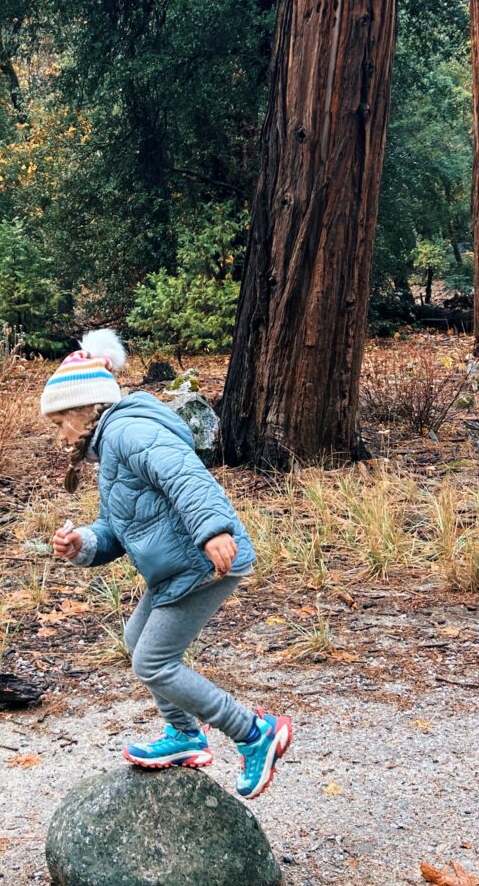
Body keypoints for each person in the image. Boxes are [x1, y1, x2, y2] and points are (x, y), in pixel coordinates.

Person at [41, 329, 292, 800]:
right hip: (177, 567)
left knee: (153, 661)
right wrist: (82, 543)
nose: (61, 437)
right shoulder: (112, 449)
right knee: (138, 641)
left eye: (60, 425)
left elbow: (184, 476)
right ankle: (184, 736)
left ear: (82, 409)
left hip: (202, 560)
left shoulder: (129, 431)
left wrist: (213, 529)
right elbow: (115, 528)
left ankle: (255, 733)